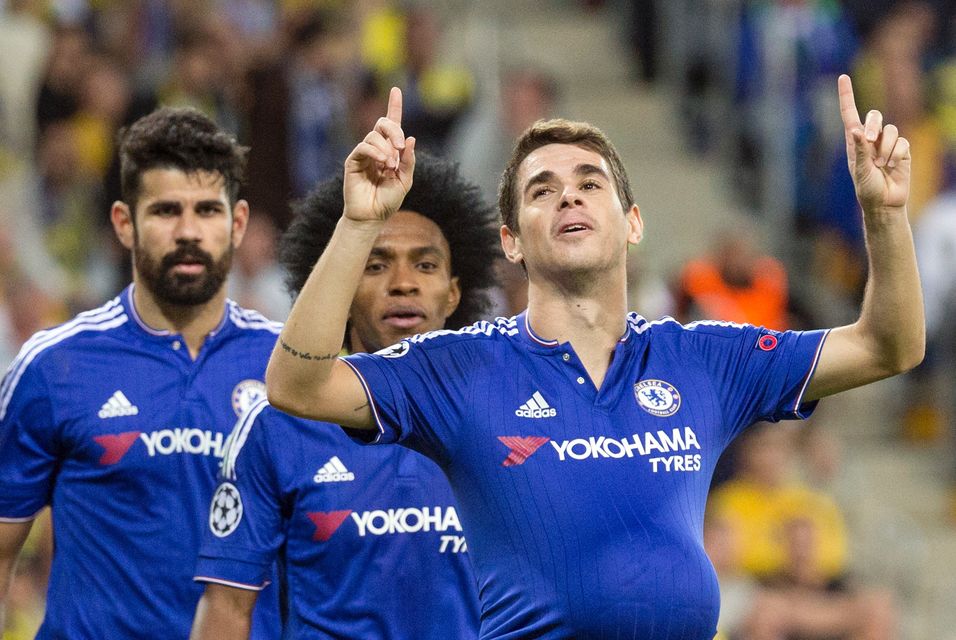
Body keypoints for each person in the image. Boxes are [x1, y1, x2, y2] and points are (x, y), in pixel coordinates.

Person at [265, 76, 924, 639]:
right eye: (542, 190)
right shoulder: (459, 368)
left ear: (632, 222)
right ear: (512, 241)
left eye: (589, 182)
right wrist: (358, 223)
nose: (569, 196)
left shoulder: (702, 357)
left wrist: (885, 216)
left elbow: (887, 346)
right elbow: (298, 385)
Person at [0, 107, 280, 638]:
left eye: (207, 210)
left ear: (238, 222)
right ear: (124, 224)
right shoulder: (53, 365)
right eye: (166, 210)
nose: (189, 232)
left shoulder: (289, 372)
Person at [190, 154, 496, 639]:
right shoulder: (276, 424)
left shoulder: (504, 416)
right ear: (342, 288)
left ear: (454, 293)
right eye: (376, 264)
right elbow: (228, 607)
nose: (403, 283)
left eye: (425, 264)